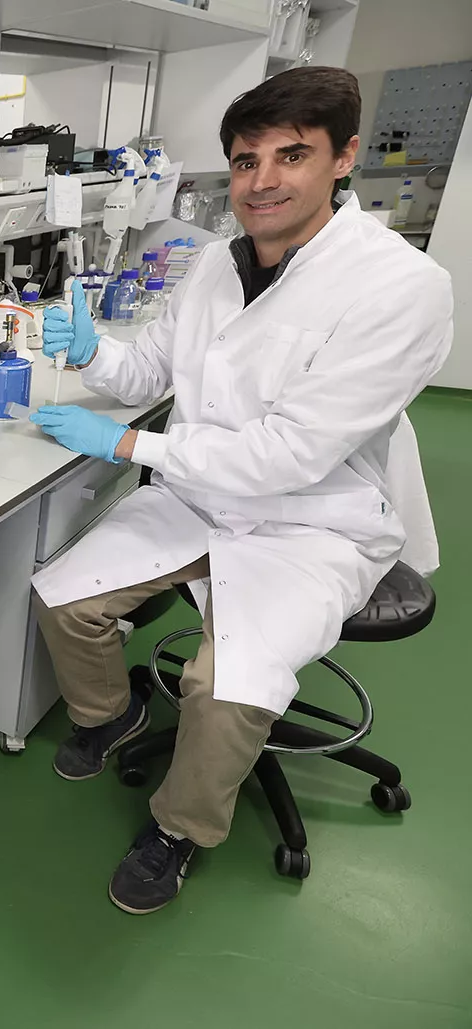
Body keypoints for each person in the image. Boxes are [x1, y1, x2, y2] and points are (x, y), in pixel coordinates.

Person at [29, 67, 452, 914]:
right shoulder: (220, 264)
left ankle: (179, 829)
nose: (262, 180)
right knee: (62, 597)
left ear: (344, 159)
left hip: (313, 521)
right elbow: (151, 365)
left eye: (291, 155)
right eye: (246, 160)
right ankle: (112, 716)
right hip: (200, 494)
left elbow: (292, 454)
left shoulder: (400, 286)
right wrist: (89, 356)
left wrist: (126, 442)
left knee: (223, 686)